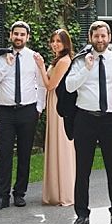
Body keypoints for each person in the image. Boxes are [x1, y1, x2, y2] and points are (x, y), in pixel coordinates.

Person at [65, 20, 112, 224]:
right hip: (85, 119)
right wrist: (86, 69)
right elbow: (69, 86)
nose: (100, 40)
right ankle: (82, 213)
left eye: (103, 36)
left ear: (109, 37)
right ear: (90, 38)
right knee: (83, 169)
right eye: (96, 36)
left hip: (111, 120)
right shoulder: (80, 60)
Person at [0, 21, 46, 210]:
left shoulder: (34, 58)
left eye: (22, 34)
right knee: (4, 154)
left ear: (28, 37)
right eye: (16, 34)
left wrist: (39, 108)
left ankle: (20, 193)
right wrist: (6, 66)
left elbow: (41, 84)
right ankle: (2, 196)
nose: (19, 37)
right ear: (10, 35)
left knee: (24, 153)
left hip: (28, 111)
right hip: (5, 111)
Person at [40, 29, 76, 207]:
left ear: (66, 43)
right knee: (56, 143)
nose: (55, 44)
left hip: (59, 103)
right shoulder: (58, 60)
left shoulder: (64, 61)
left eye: (59, 41)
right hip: (53, 101)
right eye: (53, 40)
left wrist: (40, 66)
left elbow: (49, 85)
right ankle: (56, 189)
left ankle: (64, 191)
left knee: (61, 144)